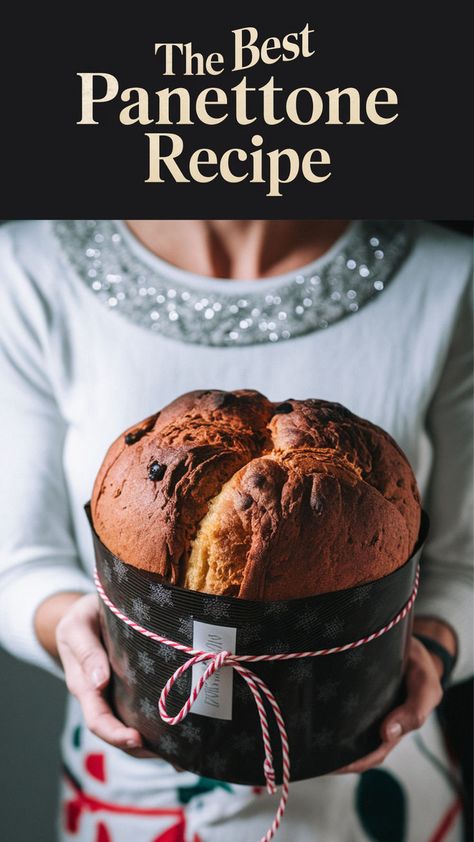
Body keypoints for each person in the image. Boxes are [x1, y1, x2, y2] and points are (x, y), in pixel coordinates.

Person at [0, 218, 471, 842]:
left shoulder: (449, 277)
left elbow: (465, 566)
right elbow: (19, 564)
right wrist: (76, 632)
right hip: (132, 798)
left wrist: (433, 649)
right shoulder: (28, 267)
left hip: (375, 793)